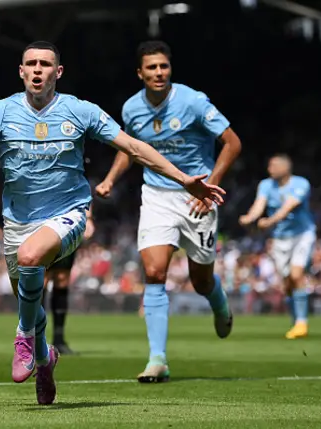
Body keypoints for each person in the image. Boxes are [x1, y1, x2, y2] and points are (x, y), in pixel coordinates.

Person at [0, 41, 226, 404]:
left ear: (58, 72)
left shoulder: (79, 111)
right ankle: (44, 358)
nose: (38, 70)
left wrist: (183, 178)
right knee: (30, 297)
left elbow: (132, 147)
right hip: (17, 220)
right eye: (31, 64)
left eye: (45, 64)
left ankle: (22, 335)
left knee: (31, 258)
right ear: (21, 71)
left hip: (69, 213)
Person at [95, 40, 242, 383]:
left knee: (200, 280)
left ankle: (219, 303)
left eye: (163, 66)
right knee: (155, 272)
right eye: (151, 68)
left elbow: (232, 142)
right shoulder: (132, 108)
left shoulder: (192, 101)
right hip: (158, 196)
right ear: (140, 73)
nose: (159, 73)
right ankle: (157, 359)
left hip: (197, 197)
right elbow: (130, 149)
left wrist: (210, 186)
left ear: (170, 68)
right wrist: (110, 179)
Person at [239, 154, 316, 339]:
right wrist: (250, 218)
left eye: (273, 166)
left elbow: (289, 206)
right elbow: (259, 205)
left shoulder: (300, 184)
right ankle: (296, 319)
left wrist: (270, 221)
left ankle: (301, 323)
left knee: (297, 275)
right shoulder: (265, 185)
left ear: (285, 168)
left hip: (302, 235)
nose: (269, 169)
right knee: (287, 283)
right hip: (280, 239)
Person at [43, 203, 95, 355]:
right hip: (42, 220)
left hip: (67, 223)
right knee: (42, 279)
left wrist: (89, 217)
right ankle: (34, 339)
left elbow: (80, 185)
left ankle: (59, 339)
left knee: (62, 278)